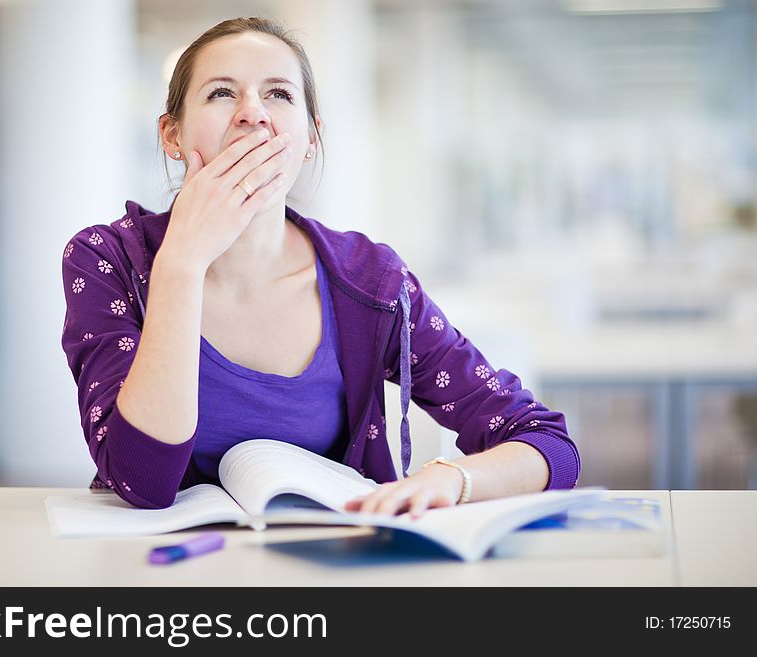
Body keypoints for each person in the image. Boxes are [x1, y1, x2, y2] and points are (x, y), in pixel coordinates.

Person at [61, 16, 580, 515]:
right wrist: (182, 263)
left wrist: (452, 478)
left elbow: (548, 446)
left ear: (310, 139)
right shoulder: (107, 262)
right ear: (172, 136)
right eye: (222, 92)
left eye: (279, 94)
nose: (253, 113)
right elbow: (142, 479)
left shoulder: (370, 281)